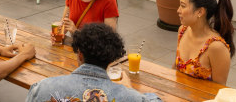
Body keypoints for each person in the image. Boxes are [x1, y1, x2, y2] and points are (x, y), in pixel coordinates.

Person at [26, 23, 161, 102]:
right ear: (111, 59)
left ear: (80, 53)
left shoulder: (43, 88)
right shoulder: (129, 97)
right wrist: (130, 90)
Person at [175, 0, 234, 85]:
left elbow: (218, 92)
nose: (178, 10)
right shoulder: (182, 31)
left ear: (200, 12)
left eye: (183, 6)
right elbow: (175, 72)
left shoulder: (216, 47)